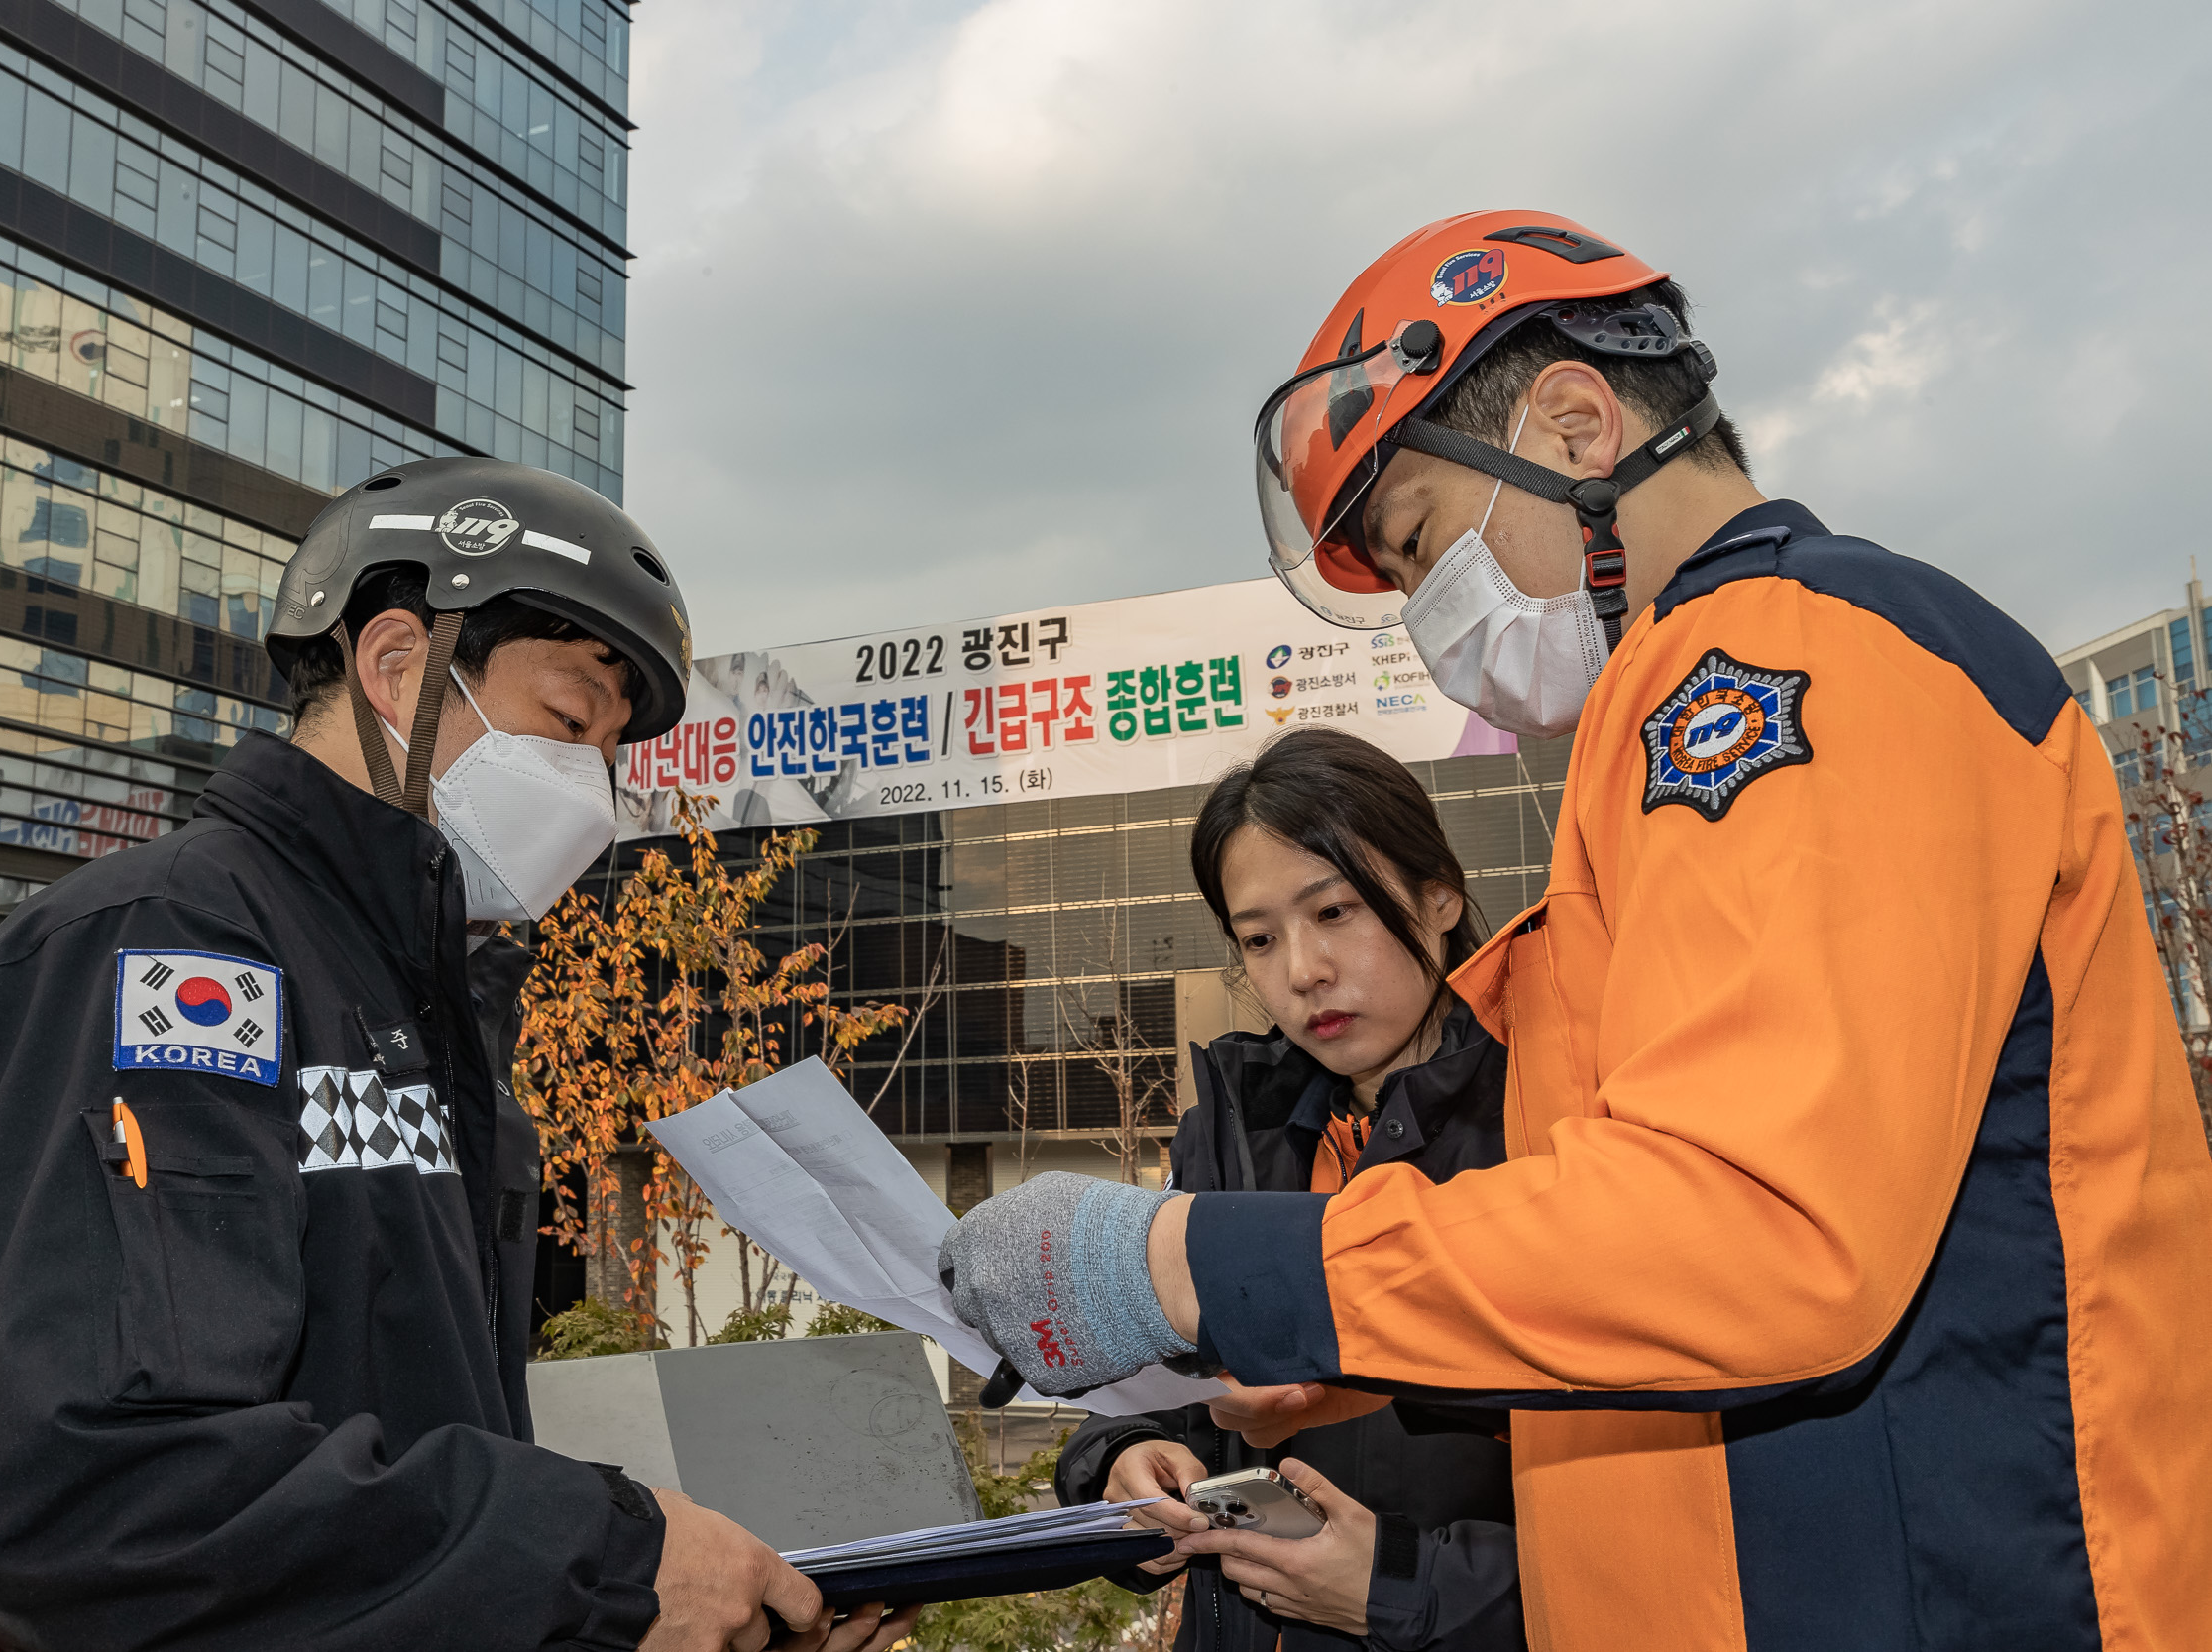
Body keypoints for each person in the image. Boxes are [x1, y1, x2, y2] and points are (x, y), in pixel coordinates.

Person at [940, 212, 2212, 1650]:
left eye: (1420, 545)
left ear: (1575, 420)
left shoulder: (1791, 658)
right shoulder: (1665, 715)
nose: (1428, 615)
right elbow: (1628, 1248)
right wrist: (1349, 1368)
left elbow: (1755, 1223)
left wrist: (1177, 1261)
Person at [0, 458, 914, 1652]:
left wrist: (678, 1608)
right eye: (571, 720)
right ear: (397, 666)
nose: (594, 787)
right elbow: (95, 1492)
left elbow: (391, 1468)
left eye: (611, 749)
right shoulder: (172, 955)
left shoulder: (423, 1014)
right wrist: (609, 1566)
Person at [1052, 727, 1522, 1652]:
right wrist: (1118, 1464)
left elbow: (1649, 1507)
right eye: (1259, 938)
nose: (1301, 971)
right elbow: (1175, 1395)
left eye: (1336, 911)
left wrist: (1401, 1588)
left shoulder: (1548, 1120)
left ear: (1439, 897)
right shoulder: (1234, 1123)